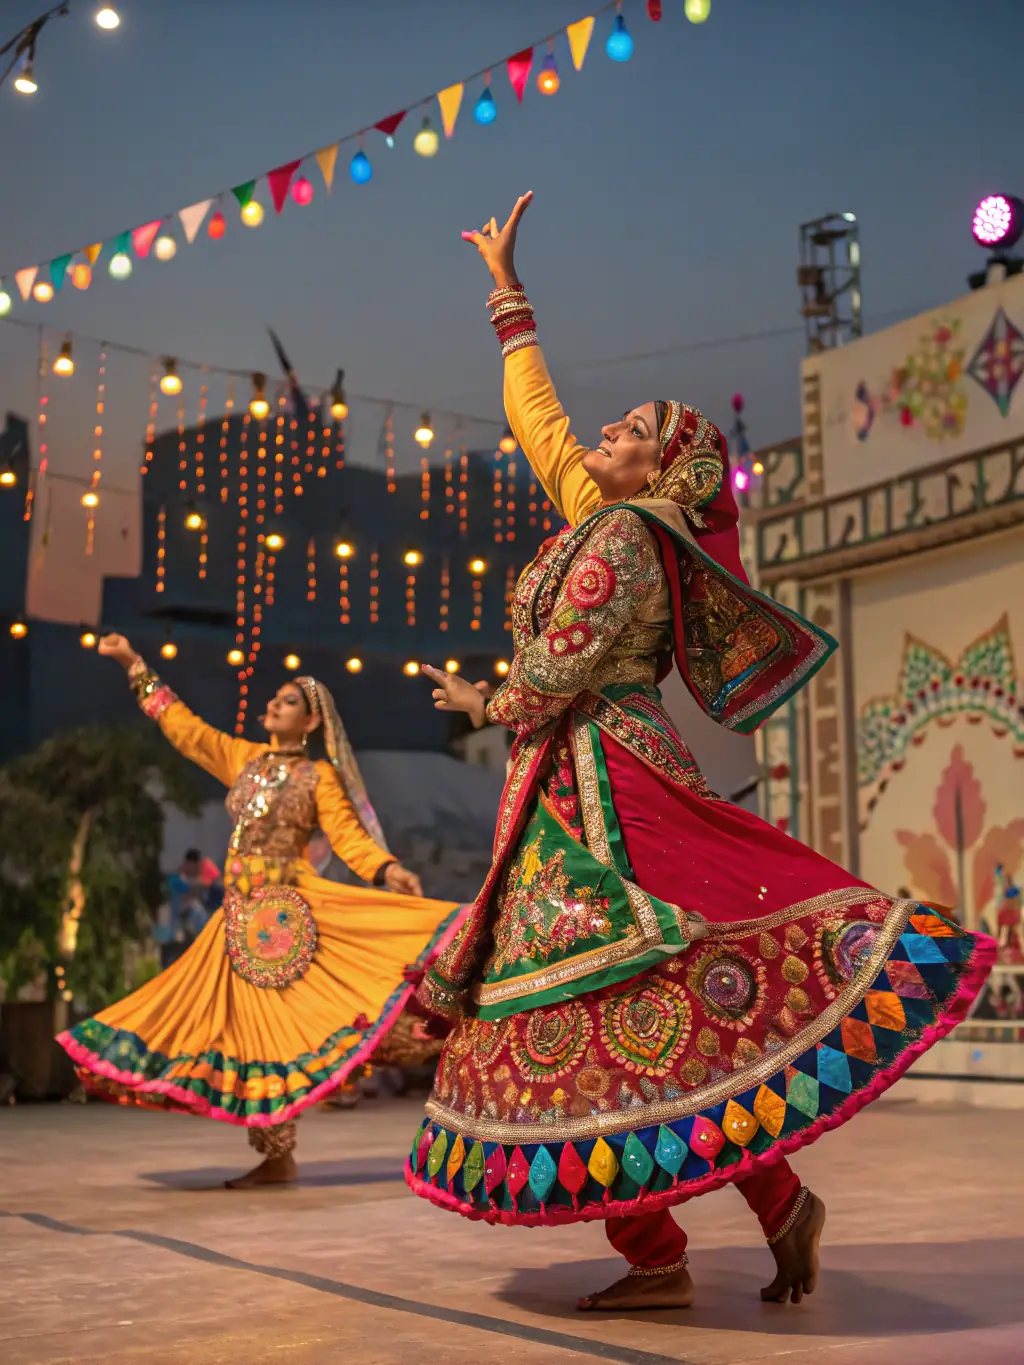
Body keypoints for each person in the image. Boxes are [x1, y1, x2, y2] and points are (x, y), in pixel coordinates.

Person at [406, 193, 995, 1312]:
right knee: (618, 1008)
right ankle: (744, 1221)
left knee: (620, 991)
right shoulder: (599, 517)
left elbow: (567, 661)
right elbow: (541, 423)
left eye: (627, 430)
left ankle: (673, 1249)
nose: (603, 432)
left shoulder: (629, 537)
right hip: (559, 781)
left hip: (602, 782)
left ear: (664, 469)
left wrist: (489, 698)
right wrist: (507, 303)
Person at [58, 635, 465, 1188]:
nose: (274, 704)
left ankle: (453, 1047)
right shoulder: (243, 759)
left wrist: (386, 869)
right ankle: (277, 1154)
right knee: (245, 1034)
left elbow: (348, 837)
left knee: (307, 1024)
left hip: (289, 916)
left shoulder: (317, 777)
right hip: (237, 919)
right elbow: (184, 728)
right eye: (274, 698)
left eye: (289, 701)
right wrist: (134, 665)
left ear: (311, 722)